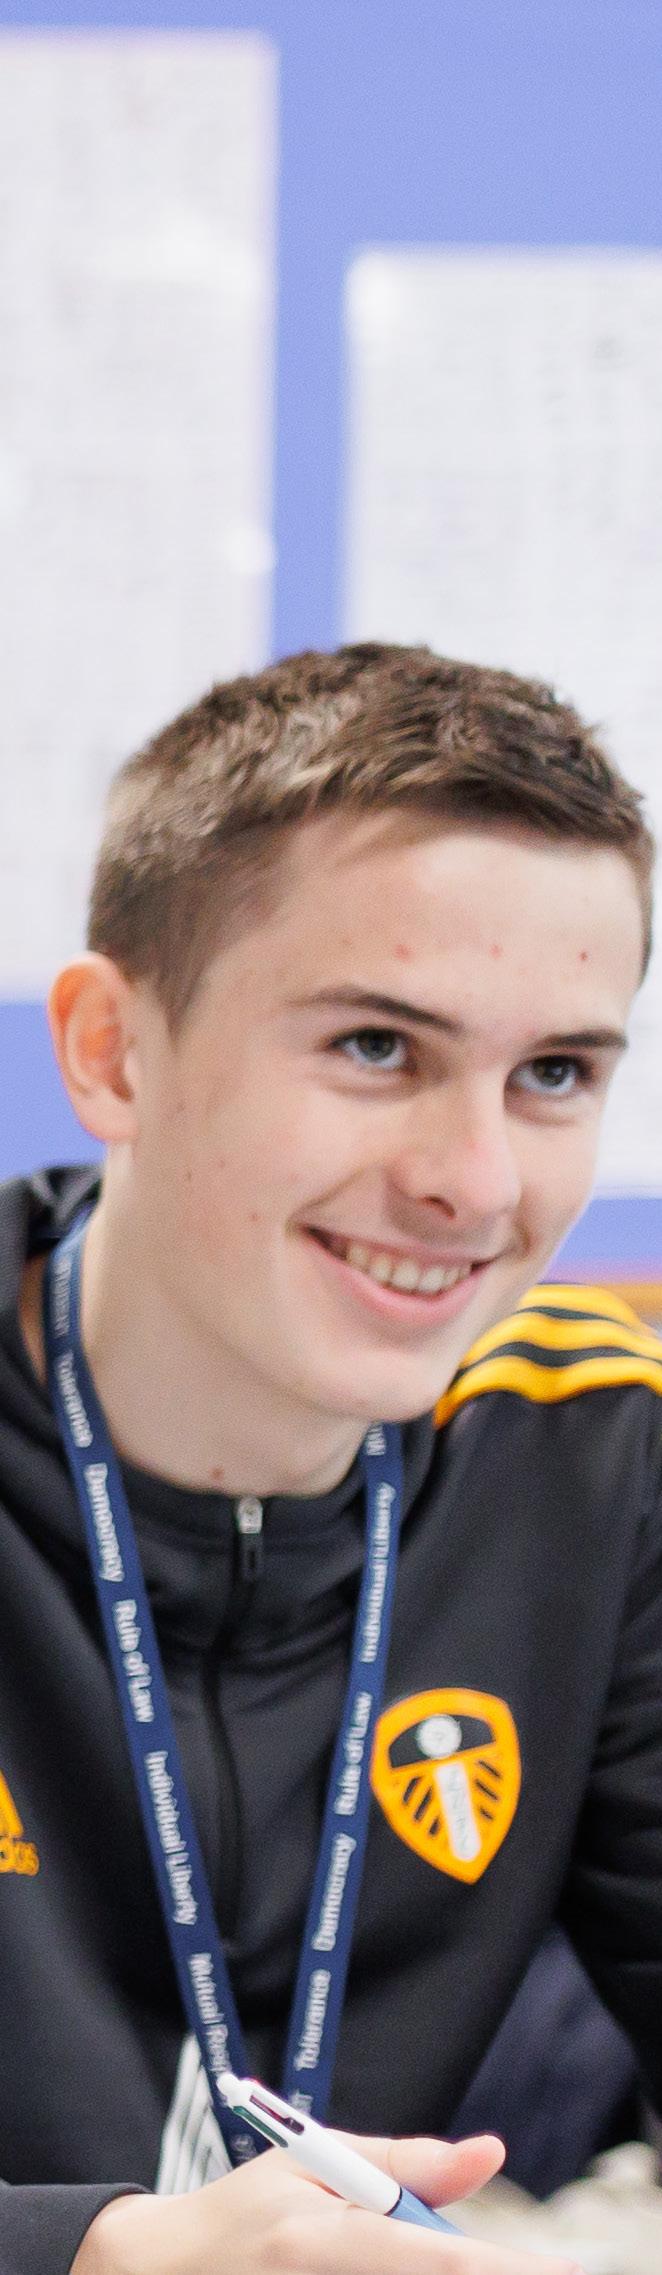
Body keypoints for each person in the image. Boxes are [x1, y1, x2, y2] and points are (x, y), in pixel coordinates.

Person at [1, 641, 661, 2275]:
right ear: (112, 1051)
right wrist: (90, 2252)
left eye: (553, 1074)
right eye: (376, 1047)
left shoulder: (597, 1452)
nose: (473, 1181)